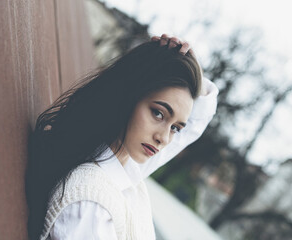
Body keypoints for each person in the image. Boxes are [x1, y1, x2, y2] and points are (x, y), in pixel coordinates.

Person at [25, 34, 219, 240]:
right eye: (158, 113)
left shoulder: (124, 169)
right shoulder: (91, 202)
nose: (164, 138)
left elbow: (197, 120)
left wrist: (185, 62)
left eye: (175, 128)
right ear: (128, 96)